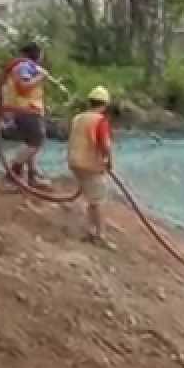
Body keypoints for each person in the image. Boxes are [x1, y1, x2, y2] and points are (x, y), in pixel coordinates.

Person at [0, 42, 68, 188]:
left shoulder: (28, 67)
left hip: (28, 110)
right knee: (35, 141)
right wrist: (41, 77)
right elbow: (23, 87)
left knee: (31, 143)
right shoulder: (23, 66)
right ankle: (12, 174)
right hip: (26, 111)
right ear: (36, 54)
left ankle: (32, 176)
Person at [68, 86, 115, 248]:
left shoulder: (78, 118)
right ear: (105, 104)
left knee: (91, 198)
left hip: (74, 162)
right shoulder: (100, 120)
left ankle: (90, 231)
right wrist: (109, 161)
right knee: (98, 201)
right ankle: (100, 235)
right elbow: (105, 145)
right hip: (91, 164)